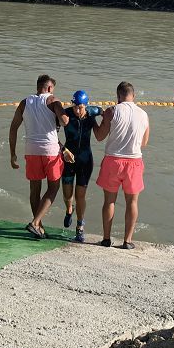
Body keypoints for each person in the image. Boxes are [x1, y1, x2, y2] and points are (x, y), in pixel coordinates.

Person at [8, 74, 72, 239]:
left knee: (34, 190)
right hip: (50, 151)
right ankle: (36, 222)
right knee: (53, 187)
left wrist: (13, 153)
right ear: (49, 88)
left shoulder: (24, 102)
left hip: (31, 150)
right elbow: (65, 121)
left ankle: (39, 227)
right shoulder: (52, 100)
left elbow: (13, 128)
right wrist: (63, 113)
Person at [93, 81, 150, 249]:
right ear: (133, 95)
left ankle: (106, 239)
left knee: (109, 201)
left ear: (118, 96)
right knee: (132, 202)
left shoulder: (112, 111)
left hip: (113, 160)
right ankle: (127, 241)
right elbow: (144, 143)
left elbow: (99, 136)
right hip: (134, 161)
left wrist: (93, 122)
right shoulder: (144, 114)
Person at [61, 90, 102, 243]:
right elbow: (51, 135)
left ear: (86, 105)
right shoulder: (65, 115)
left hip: (85, 160)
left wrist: (106, 117)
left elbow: (102, 110)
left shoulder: (91, 114)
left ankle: (80, 227)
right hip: (67, 159)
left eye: (81, 107)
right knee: (67, 195)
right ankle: (68, 209)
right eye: (75, 106)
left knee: (80, 196)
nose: (77, 110)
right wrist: (63, 150)